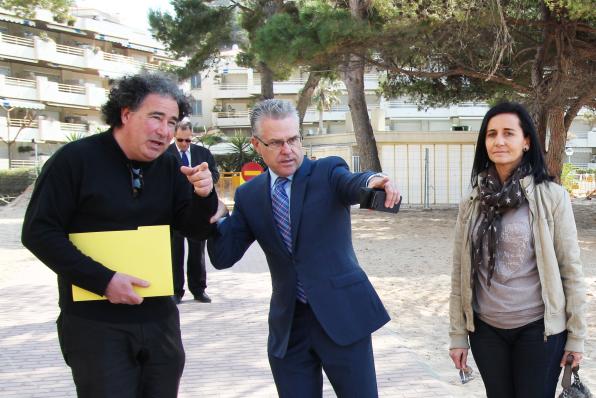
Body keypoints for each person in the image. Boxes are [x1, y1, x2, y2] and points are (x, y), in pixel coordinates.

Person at [21, 72, 218, 398]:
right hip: (94, 323)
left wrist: (203, 195)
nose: (165, 131)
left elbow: (196, 230)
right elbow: (39, 232)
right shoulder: (75, 161)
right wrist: (104, 280)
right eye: (156, 117)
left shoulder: (170, 167)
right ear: (126, 113)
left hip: (159, 320)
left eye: (172, 122)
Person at [207, 99, 400, 397]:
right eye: (276, 142)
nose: (288, 149)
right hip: (289, 328)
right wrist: (216, 216)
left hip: (341, 317)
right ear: (257, 145)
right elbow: (223, 257)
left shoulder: (327, 171)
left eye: (293, 139)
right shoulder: (250, 195)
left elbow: (353, 183)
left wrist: (374, 181)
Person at [448, 102, 587, 397]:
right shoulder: (472, 201)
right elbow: (459, 272)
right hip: (486, 331)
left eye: (509, 133)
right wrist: (458, 335)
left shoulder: (552, 196)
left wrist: (576, 338)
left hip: (540, 331)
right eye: (491, 134)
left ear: (526, 142)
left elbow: (571, 269)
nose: (499, 141)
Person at [167, 119, 219, 304]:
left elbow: (215, 173)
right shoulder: (166, 154)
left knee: (198, 252)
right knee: (175, 252)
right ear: (174, 137)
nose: (184, 144)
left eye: (187, 140)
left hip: (197, 210)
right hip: (174, 211)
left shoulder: (203, 153)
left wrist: (205, 179)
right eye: (180, 140)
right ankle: (175, 291)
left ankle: (198, 290)